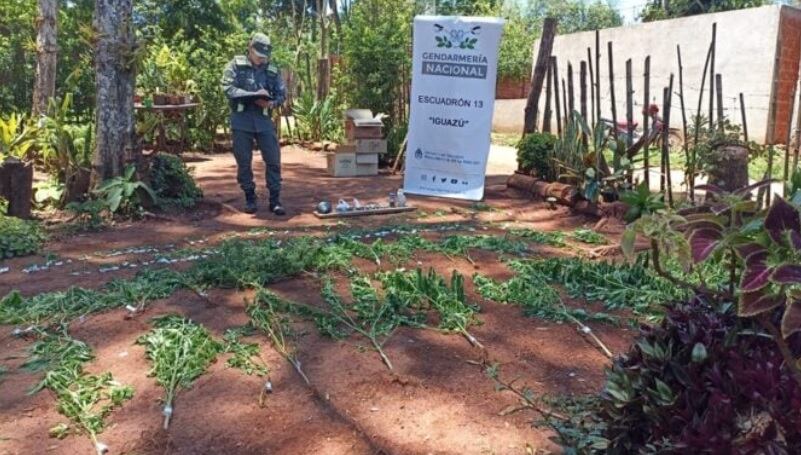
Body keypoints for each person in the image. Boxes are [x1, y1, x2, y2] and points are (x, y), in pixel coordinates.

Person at [221, 33, 287, 215]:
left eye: (264, 56)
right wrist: (251, 95)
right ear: (250, 48)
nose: (261, 60)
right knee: (243, 161)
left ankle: (275, 200)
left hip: (264, 120)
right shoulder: (235, 65)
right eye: (258, 56)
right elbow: (228, 88)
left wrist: (271, 103)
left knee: (273, 160)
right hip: (241, 120)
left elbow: (282, 94)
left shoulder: (272, 71)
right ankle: (250, 196)